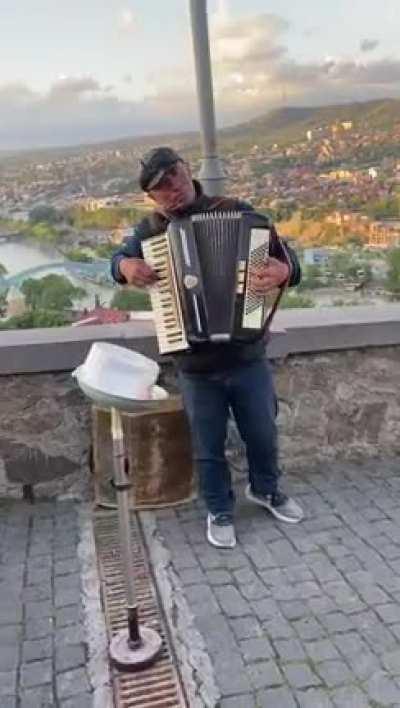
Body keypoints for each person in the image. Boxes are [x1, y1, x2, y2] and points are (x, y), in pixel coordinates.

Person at [111, 146, 304, 548]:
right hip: (194, 363)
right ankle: (219, 508)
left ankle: (266, 490)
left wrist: (285, 270)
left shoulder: (240, 212)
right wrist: (126, 267)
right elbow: (117, 262)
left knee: (263, 432)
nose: (172, 191)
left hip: (246, 354)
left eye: (175, 179)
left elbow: (290, 263)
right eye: (161, 189)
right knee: (208, 444)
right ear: (151, 197)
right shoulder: (149, 233)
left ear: (187, 172)